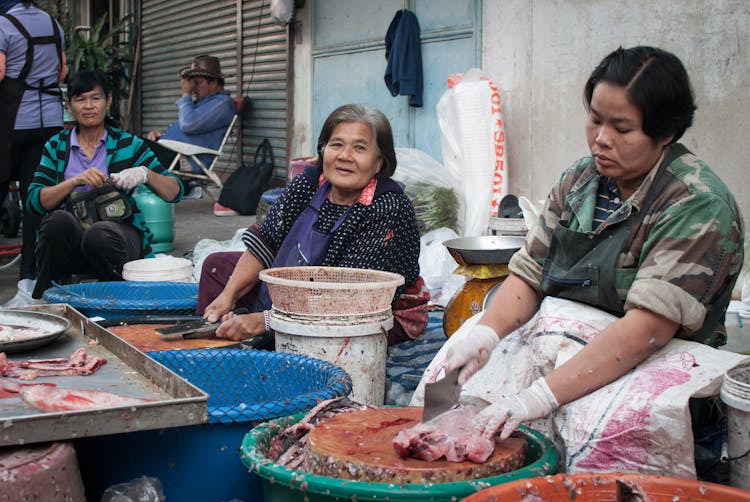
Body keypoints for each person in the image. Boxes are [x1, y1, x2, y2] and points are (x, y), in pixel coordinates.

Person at [425, 47, 744, 468]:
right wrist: (485, 333)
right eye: (595, 119)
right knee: (453, 397)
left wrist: (538, 397)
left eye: (622, 128)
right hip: (566, 354)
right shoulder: (580, 180)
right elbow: (528, 274)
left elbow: (647, 330)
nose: (601, 139)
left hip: (647, 366)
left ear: (665, 133)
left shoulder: (695, 205)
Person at [198, 103, 430, 346]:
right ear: (323, 149)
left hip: (366, 309)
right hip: (301, 286)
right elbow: (265, 244)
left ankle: (271, 348)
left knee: (337, 339)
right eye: (336, 144)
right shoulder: (308, 184)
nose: (344, 156)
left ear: (379, 162)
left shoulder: (387, 206)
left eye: (359, 148)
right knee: (217, 267)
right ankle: (215, 345)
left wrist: (266, 321)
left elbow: (353, 298)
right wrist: (228, 296)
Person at [26, 70, 183, 299]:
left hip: (119, 237)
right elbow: (34, 201)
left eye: (95, 98)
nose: (88, 106)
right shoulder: (56, 146)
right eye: (80, 99)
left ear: (108, 101)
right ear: (68, 106)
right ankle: (47, 298)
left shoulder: (127, 143)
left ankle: (117, 300)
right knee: (56, 221)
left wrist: (144, 173)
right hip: (73, 239)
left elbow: (174, 191)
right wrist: (74, 181)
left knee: (99, 233)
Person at [0, 0, 66, 279]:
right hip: (50, 121)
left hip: (13, 120)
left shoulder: (3, 24)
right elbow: (62, 72)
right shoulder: (54, 24)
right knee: (35, 201)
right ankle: (29, 275)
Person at [144, 54, 235, 197]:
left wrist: (185, 94)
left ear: (214, 82)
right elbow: (187, 128)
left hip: (186, 158)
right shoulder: (204, 102)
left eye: (197, 83)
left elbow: (188, 124)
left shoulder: (222, 103)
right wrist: (162, 136)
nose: (193, 89)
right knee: (128, 144)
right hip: (175, 152)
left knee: (130, 146)